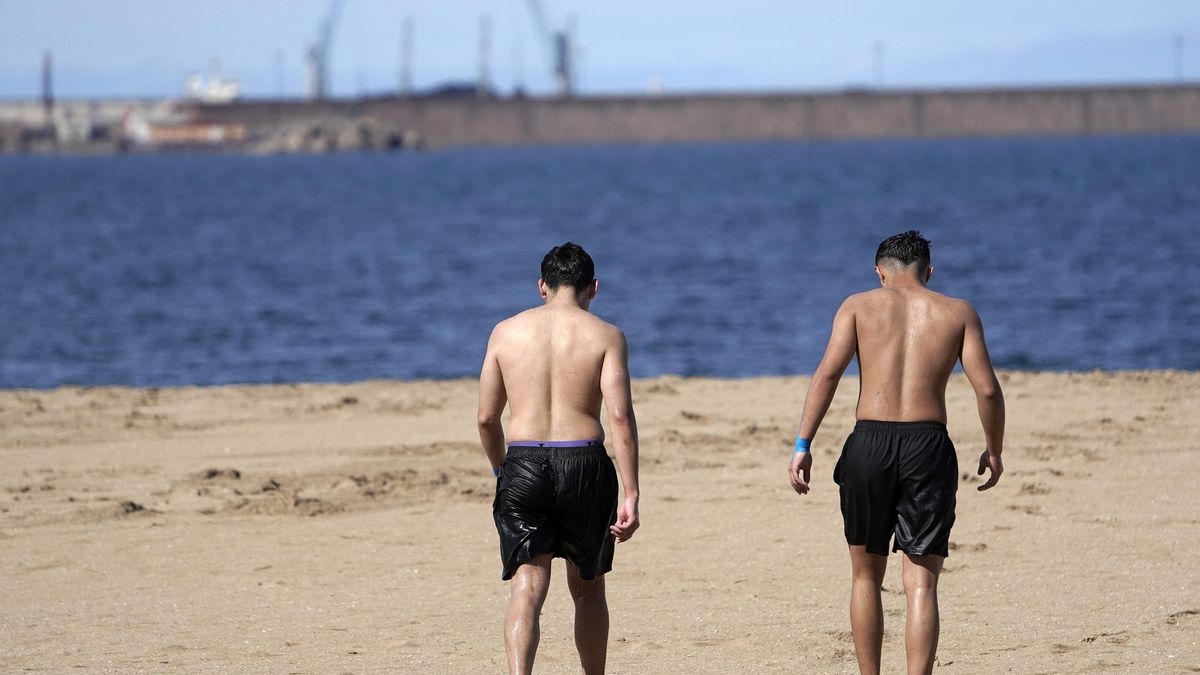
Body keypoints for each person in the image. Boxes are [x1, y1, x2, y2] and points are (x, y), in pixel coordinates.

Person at [787, 230, 1006, 675]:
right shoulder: (958, 312)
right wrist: (994, 449)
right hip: (928, 444)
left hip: (869, 443)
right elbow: (986, 389)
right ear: (929, 271)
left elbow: (827, 376)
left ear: (879, 272)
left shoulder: (857, 306)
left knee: (866, 576)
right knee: (921, 582)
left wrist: (803, 444)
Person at [478, 242, 641, 675]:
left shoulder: (505, 332)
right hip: (584, 464)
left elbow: (485, 419)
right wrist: (631, 492)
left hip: (523, 462)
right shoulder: (607, 335)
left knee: (526, 588)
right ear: (593, 288)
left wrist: (502, 470)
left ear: (541, 287)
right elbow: (621, 417)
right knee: (588, 589)